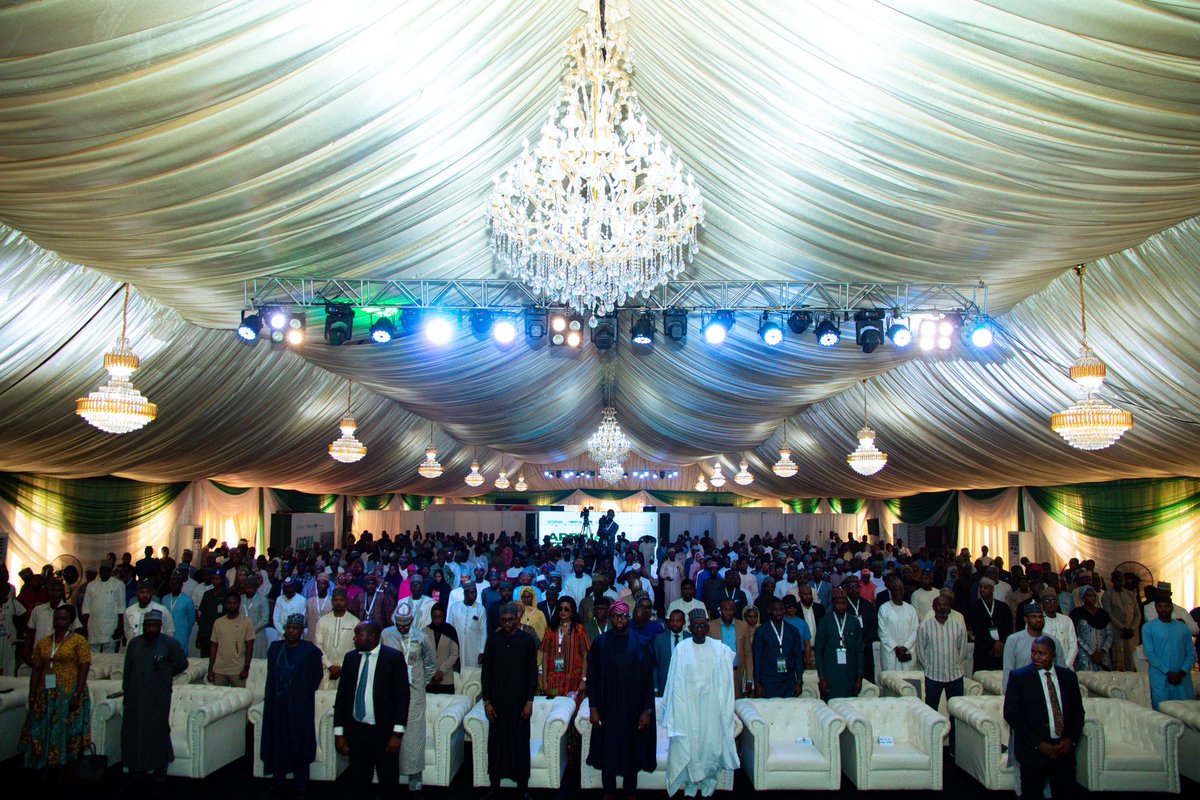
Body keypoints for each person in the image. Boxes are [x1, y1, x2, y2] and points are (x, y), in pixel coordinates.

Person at [661, 608, 740, 797]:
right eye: (695, 626)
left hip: (711, 706)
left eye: (702, 626)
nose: (699, 629)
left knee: (710, 745)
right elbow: (674, 680)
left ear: (707, 627)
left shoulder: (719, 649)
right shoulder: (682, 648)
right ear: (689, 628)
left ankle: (709, 781)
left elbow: (730, 666)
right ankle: (691, 782)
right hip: (688, 706)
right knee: (691, 746)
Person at [585, 599, 656, 795]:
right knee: (607, 751)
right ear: (610, 617)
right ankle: (608, 792)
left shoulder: (641, 643)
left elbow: (648, 682)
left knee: (631, 752)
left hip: (632, 709)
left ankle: (630, 792)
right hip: (606, 708)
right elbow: (592, 678)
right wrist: (593, 707)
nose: (619, 620)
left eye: (623, 616)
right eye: (615, 616)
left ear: (628, 617)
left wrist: (646, 710)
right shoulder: (600, 643)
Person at [333, 621, 410, 796]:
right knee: (359, 784)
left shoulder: (393, 658)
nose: (354, 639)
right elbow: (342, 697)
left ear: (372, 637)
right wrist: (339, 733)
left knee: (388, 784)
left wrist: (397, 734)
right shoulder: (351, 658)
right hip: (356, 733)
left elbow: (403, 697)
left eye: (358, 635)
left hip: (384, 734)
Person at [1004, 636, 1085, 800]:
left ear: (1053, 655)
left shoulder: (1068, 677)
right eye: (1033, 652)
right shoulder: (1019, 677)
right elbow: (1011, 714)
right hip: (1033, 753)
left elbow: (1078, 713)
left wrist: (1070, 739)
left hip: (1063, 752)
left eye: (1042, 654)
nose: (1036, 657)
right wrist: (1039, 744)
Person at [20, 604, 92, 771]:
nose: (59, 622)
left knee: (65, 730)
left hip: (68, 694)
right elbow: (37, 669)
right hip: (46, 694)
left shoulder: (79, 641)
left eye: (63, 619)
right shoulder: (44, 642)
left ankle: (63, 766)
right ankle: (44, 764)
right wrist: (32, 695)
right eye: (57, 618)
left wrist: (77, 694)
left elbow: (84, 667)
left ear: (70, 621)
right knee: (42, 728)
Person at [121, 608, 189, 783]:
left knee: (157, 730)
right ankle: (137, 768)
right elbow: (128, 669)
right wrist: (127, 692)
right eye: (148, 625)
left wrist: (164, 674)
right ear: (144, 625)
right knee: (135, 731)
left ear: (160, 626)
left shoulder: (170, 643)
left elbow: (182, 664)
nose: (151, 629)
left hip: (158, 695)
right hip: (135, 696)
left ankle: (160, 769)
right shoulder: (134, 643)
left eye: (155, 625)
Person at [480, 603, 538, 800]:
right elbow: (486, 673)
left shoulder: (526, 640)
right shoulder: (493, 641)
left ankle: (523, 789)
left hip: (520, 704)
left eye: (510, 620)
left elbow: (532, 673)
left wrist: (529, 701)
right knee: (496, 746)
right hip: (497, 704)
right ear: (499, 620)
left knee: (520, 745)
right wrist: (487, 702)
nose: (507, 623)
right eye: (504, 620)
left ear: (517, 619)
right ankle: (494, 787)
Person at [262, 614, 324, 798]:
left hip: (300, 707)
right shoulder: (275, 648)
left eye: (295, 628)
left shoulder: (310, 651)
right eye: (288, 628)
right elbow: (271, 675)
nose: (291, 631)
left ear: (301, 631)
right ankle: (278, 783)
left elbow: (317, 676)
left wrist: (301, 693)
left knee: (300, 743)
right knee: (278, 743)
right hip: (277, 706)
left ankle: (301, 785)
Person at [382, 600, 438, 798]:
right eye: (399, 624)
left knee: (413, 739)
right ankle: (389, 782)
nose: (403, 628)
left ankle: (415, 784)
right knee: (389, 735)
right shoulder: (386, 634)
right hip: (390, 694)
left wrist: (420, 683)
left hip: (414, 695)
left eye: (406, 624)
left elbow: (431, 665)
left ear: (412, 620)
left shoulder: (422, 637)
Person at [1142, 588, 1197, 709]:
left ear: (1172, 608)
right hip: (1160, 677)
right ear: (1156, 608)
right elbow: (1150, 654)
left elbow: (1191, 652)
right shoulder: (1148, 628)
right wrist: (1168, 673)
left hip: (1182, 677)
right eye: (1160, 606)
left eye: (1166, 606)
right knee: (1162, 711)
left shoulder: (1182, 627)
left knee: (1186, 711)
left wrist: (1182, 672)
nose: (1163, 609)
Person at [915, 595, 968, 713]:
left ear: (950, 608)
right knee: (931, 710)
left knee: (957, 712)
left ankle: (954, 727)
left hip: (955, 676)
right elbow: (920, 650)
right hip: (933, 676)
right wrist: (928, 666)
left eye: (945, 605)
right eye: (939, 605)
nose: (942, 607)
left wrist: (955, 664)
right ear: (933, 607)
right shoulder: (925, 626)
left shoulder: (958, 626)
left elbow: (963, 650)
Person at [815, 588, 863, 699]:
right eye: (838, 603)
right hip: (830, 672)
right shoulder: (824, 621)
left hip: (849, 672)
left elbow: (860, 651)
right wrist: (821, 677)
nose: (841, 606)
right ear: (833, 604)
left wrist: (859, 677)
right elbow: (819, 650)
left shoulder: (854, 622)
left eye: (843, 603)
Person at [540, 595, 590, 699]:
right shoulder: (551, 629)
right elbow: (545, 654)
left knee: (572, 707)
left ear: (572, 612)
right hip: (554, 681)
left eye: (566, 609)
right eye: (560, 608)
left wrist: (583, 680)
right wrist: (544, 681)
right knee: (554, 706)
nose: (563, 611)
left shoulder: (579, 629)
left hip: (574, 682)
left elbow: (586, 654)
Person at [752, 597, 804, 698]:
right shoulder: (761, 631)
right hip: (768, 679)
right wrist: (757, 683)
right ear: (769, 611)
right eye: (775, 610)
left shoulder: (793, 630)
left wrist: (799, 681)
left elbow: (798, 657)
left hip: (788, 679)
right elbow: (757, 659)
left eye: (781, 609)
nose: (779, 612)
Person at [708, 598, 754, 697]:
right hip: (718, 674)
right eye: (725, 609)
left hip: (737, 673)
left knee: (737, 703)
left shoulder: (743, 626)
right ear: (720, 610)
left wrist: (749, 679)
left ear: (735, 610)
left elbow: (748, 653)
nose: (728, 612)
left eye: (731, 609)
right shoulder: (711, 626)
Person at [208, 591, 255, 687]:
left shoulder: (247, 622)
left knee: (239, 696)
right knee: (219, 697)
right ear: (225, 604)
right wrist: (210, 669)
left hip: (237, 671)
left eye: (234, 603)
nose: (232, 606)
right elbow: (214, 646)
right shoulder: (218, 622)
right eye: (229, 603)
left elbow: (249, 647)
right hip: (219, 670)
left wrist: (246, 668)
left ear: (239, 604)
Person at [315, 586, 359, 689]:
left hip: (347, 669)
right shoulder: (323, 621)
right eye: (335, 600)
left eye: (341, 600)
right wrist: (329, 665)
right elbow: (318, 646)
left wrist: (341, 666)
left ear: (346, 601)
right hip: (326, 669)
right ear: (332, 601)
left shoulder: (355, 622)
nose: (338, 603)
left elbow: (356, 647)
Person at [80, 560, 124, 653]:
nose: (104, 571)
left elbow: (121, 608)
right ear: (99, 570)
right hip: (94, 627)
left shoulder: (118, 585)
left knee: (109, 656)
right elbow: (86, 607)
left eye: (107, 569)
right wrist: (85, 626)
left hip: (111, 627)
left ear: (111, 571)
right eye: (102, 569)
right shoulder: (91, 585)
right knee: (93, 655)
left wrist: (120, 627)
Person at [877, 577, 918, 673]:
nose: (897, 592)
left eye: (900, 589)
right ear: (891, 592)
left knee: (908, 679)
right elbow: (882, 632)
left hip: (907, 651)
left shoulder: (911, 609)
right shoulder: (884, 608)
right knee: (891, 679)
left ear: (904, 591)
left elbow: (916, 630)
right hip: (890, 652)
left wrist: (905, 647)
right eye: (895, 590)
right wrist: (896, 648)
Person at [1101, 570, 1138, 670]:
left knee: (1131, 660)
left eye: (1122, 579)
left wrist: (1132, 628)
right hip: (1117, 632)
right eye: (1117, 579)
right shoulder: (1108, 595)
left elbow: (1137, 614)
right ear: (1112, 580)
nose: (1120, 581)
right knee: (1118, 661)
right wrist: (1123, 628)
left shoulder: (1130, 594)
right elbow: (1108, 614)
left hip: (1131, 633)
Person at [1070, 586, 1113, 672]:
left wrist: (1102, 651)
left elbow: (1110, 634)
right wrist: (1091, 652)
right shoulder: (1077, 613)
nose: (1093, 598)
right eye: (1089, 596)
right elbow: (1074, 635)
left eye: (1094, 596)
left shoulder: (1103, 613)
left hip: (1103, 655)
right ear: (1083, 598)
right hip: (1085, 654)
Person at [448, 581, 487, 668]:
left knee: (473, 671)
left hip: (474, 648)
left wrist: (482, 651)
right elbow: (449, 629)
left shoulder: (481, 609)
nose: (474, 595)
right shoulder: (454, 608)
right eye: (471, 592)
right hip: (457, 646)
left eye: (475, 592)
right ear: (465, 593)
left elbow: (483, 631)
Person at [1039, 590, 1077, 669]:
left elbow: (1073, 645)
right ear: (1042, 604)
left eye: (1054, 601)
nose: (1052, 603)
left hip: (1066, 666)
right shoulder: (1037, 621)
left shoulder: (1066, 620)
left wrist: (1066, 665)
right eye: (1048, 601)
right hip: (1044, 667)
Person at [425, 605, 459, 694]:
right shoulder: (425, 631)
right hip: (429, 678)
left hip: (446, 677)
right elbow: (423, 654)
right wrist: (432, 672)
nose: (437, 620)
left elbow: (454, 654)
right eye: (434, 617)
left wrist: (441, 671)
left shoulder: (450, 631)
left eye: (439, 617)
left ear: (444, 616)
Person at [195, 569, 229, 658]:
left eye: (218, 578)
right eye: (214, 578)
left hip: (222, 633)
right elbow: (202, 615)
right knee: (205, 659)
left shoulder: (228, 594)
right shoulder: (207, 594)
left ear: (223, 579)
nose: (215, 581)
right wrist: (199, 635)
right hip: (207, 633)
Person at [653, 609, 687, 696]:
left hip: (686, 687)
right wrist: (655, 688)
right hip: (665, 686)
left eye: (678, 621)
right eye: (672, 621)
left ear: (684, 622)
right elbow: (654, 665)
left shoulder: (690, 638)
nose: (674, 623)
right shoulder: (659, 639)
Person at [161, 569, 196, 652]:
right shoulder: (165, 599)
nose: (174, 585)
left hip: (181, 636)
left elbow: (191, 621)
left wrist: (184, 633)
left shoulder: (188, 601)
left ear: (181, 584)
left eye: (176, 583)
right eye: (172, 583)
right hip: (166, 635)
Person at [0, 566, 26, 676]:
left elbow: (22, 622)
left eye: (5, 589)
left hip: (9, 641)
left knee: (8, 664)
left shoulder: (14, 604)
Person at [242, 575, 270, 658]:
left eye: (251, 588)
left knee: (257, 660)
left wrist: (251, 630)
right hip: (242, 634)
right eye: (247, 587)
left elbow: (265, 619)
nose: (249, 590)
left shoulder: (262, 599)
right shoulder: (240, 599)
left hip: (258, 634)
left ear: (256, 588)